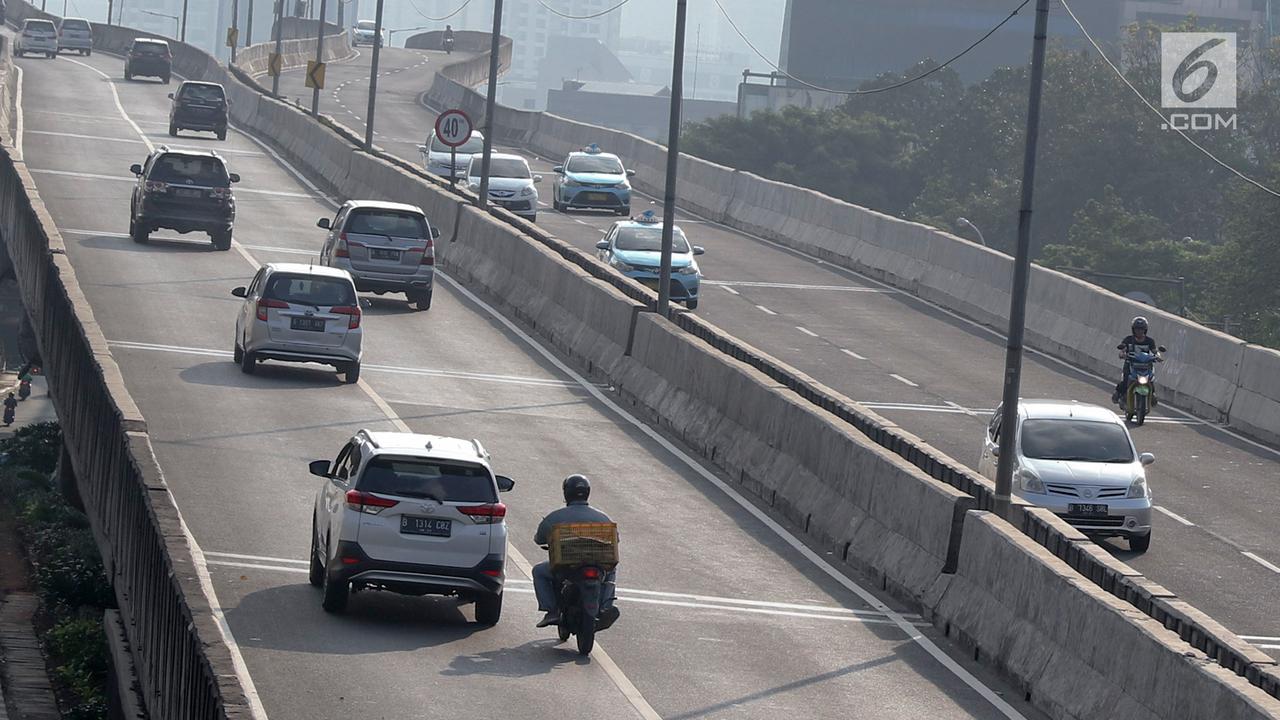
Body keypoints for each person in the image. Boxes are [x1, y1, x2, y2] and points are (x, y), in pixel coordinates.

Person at [532, 474, 619, 628]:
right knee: (611, 572)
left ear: (566, 493)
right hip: (598, 565)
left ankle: (551, 610)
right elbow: (615, 540)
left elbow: (539, 538)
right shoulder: (603, 517)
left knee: (539, 571)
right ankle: (606, 605)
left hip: (567, 567)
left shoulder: (555, 517)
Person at [1113, 316, 1160, 404]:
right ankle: (1119, 393)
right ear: (1133, 329)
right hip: (1131, 364)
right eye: (1137, 329)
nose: (1139, 331)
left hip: (1146, 366)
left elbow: (1155, 351)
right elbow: (1122, 349)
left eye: (1141, 329)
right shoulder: (1128, 339)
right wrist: (1122, 354)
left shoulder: (1150, 341)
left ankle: (1152, 394)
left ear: (1145, 330)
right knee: (1126, 380)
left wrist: (1158, 356)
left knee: (1151, 379)